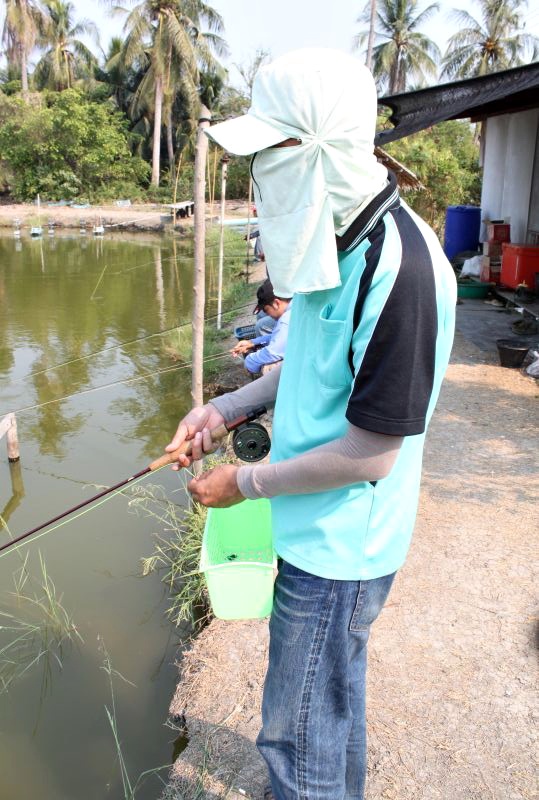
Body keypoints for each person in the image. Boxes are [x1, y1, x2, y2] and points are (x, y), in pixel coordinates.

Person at [164, 48, 456, 800]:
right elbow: (313, 369)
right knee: (326, 714)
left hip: (340, 549)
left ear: (309, 150)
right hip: (311, 527)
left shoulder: (403, 270)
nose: (259, 171)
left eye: (268, 151)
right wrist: (224, 408)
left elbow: (370, 453)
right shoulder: (340, 243)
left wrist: (243, 482)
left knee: (294, 738)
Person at [231, 279, 292, 375]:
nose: (267, 314)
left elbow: (272, 353)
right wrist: (252, 342)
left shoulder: (286, 319)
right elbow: (278, 336)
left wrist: (249, 360)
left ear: (276, 303)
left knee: (268, 368)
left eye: (266, 310)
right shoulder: (294, 307)